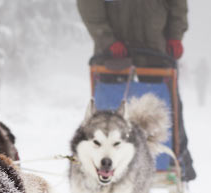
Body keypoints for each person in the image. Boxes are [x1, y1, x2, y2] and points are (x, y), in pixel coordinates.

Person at [77, 0, 196, 182]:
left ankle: (175, 162)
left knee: (166, 108)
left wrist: (175, 35)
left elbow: (177, 4)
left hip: (156, 46)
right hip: (112, 53)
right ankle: (102, 164)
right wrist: (107, 39)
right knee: (109, 112)